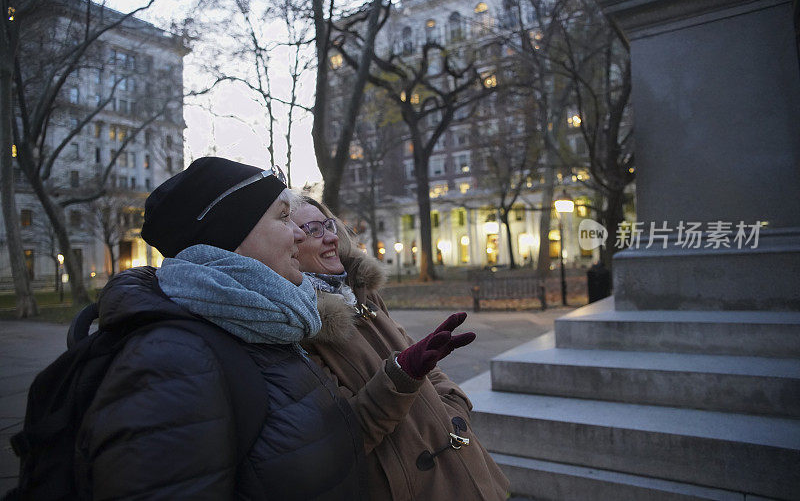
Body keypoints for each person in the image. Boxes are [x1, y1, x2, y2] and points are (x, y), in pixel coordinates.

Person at [74, 158, 368, 500]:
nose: (300, 232)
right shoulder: (172, 363)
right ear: (233, 235)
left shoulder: (269, 322)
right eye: (284, 216)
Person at [291, 196, 509, 500]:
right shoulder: (301, 328)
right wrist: (400, 376)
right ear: (289, 245)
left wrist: (455, 408)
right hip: (413, 486)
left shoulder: (362, 294)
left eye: (328, 225)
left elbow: (426, 366)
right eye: (313, 230)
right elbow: (344, 435)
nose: (331, 236)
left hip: (463, 467)